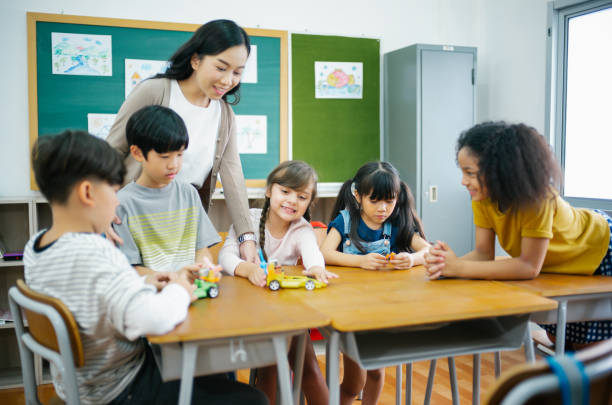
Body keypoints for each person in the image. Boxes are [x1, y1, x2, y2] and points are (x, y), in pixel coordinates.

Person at [24, 130, 267, 405]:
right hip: (121, 387)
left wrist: (144, 284)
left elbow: (95, 295)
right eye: (114, 191)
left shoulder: (38, 246)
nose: (117, 201)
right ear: (87, 192)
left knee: (213, 373)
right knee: (253, 399)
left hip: (80, 381)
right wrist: (179, 290)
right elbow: (154, 319)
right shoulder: (96, 254)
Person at [424, 121, 612, 348]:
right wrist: (445, 265)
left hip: (600, 248)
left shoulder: (537, 199)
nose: (463, 181)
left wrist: (458, 267)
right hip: (562, 266)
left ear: (500, 171)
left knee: (589, 351)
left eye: (470, 173)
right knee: (559, 341)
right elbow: (483, 254)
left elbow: (528, 266)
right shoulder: (482, 199)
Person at [107, 19, 258, 264]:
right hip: (136, 212)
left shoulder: (224, 114)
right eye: (221, 67)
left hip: (180, 217)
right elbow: (110, 151)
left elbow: (232, 174)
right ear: (196, 60)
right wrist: (99, 210)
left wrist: (246, 236)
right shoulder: (155, 91)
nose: (228, 80)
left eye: (237, 72)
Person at [219, 160, 338, 405]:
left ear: (309, 203)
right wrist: (248, 268)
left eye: (302, 196)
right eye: (285, 191)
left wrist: (316, 268)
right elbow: (225, 257)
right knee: (271, 369)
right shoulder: (247, 219)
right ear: (269, 190)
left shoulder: (301, 229)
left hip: (288, 315)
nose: (292, 200)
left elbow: (312, 252)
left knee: (308, 371)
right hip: (249, 315)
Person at [320, 161, 430, 405]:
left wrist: (411, 259)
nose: (383, 208)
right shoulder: (345, 221)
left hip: (382, 311)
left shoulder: (396, 223)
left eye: (389, 201)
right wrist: (360, 262)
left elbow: (428, 251)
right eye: (375, 200)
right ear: (358, 195)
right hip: (350, 312)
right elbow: (326, 253)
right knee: (353, 383)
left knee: (377, 371)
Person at [112, 105, 221, 276]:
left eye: (179, 154)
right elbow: (130, 269)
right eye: (165, 157)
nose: (174, 165)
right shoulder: (122, 203)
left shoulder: (188, 194)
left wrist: (203, 267)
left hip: (190, 291)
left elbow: (202, 250)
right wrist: (174, 279)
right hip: (151, 294)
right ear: (138, 153)